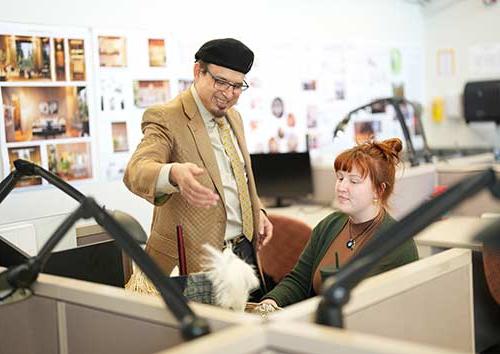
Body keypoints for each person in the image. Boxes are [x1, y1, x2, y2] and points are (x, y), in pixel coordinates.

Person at [123, 38, 273, 288]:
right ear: (198, 72)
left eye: (237, 86)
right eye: (220, 81)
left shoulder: (234, 117)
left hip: (244, 253)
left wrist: (256, 212)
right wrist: (172, 174)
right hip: (195, 261)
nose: (228, 93)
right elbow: (136, 170)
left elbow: (237, 180)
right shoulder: (166, 116)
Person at [260, 138, 418, 307]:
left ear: (379, 190)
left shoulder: (398, 243)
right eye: (340, 178)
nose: (342, 187)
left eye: (354, 181)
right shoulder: (329, 225)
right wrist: (269, 303)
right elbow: (299, 280)